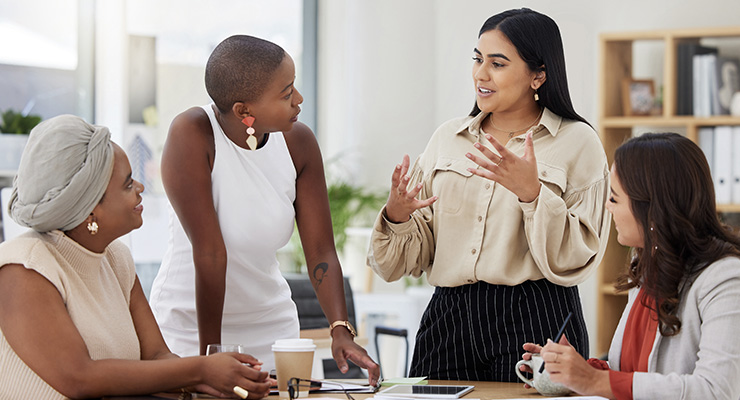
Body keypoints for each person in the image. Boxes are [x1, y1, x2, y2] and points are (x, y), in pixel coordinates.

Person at [367, 8, 610, 381]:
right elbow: (403, 262)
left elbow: (577, 256)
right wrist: (397, 216)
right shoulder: (447, 138)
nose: (481, 74)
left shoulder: (578, 142)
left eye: (497, 63)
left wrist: (532, 195)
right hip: (448, 317)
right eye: (478, 60)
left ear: (538, 75)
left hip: (536, 315)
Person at [148, 35, 379, 383]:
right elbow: (210, 253)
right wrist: (210, 357)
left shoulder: (298, 142)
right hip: (191, 330)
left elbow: (320, 249)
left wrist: (340, 329)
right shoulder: (193, 133)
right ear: (244, 110)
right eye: (286, 94)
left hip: (274, 332)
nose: (299, 99)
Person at [0, 115, 273, 399]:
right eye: (128, 184)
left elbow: (156, 356)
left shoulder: (117, 259)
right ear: (90, 210)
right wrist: (202, 370)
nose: (141, 188)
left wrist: (214, 381)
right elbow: (79, 377)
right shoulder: (24, 267)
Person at [522, 133, 740, 399]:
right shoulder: (649, 264)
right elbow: (633, 373)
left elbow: (716, 391)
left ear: (651, 209)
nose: (607, 207)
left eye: (614, 198)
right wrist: (574, 373)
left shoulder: (725, 279)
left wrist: (592, 380)